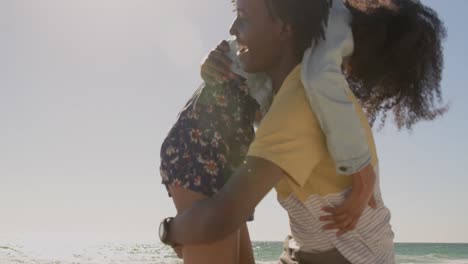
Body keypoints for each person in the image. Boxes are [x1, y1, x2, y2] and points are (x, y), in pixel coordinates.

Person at [160, 0, 447, 263]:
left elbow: (221, 218)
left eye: (243, 18)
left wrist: (170, 230)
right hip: (306, 250)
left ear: (285, 29)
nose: (233, 29)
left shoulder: (302, 101)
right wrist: (208, 64)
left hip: (350, 257)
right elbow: (237, 56)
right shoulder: (281, 88)